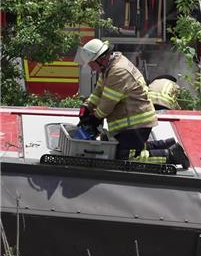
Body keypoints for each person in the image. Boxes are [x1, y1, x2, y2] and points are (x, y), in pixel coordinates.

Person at [77, 39, 190, 168]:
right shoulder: (109, 67)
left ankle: (171, 155)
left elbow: (107, 104)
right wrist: (87, 106)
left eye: (91, 64)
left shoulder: (118, 72)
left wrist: (94, 118)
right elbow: (98, 91)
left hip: (135, 123)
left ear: (100, 59)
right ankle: (168, 144)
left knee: (125, 157)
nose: (92, 68)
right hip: (131, 122)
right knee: (130, 148)